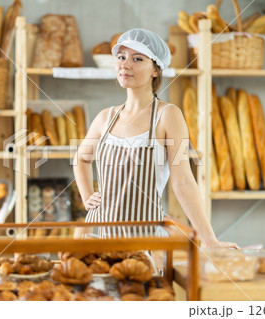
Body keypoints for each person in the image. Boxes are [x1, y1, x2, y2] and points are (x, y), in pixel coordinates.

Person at [73, 28, 238, 249]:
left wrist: (209, 240)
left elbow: (183, 181)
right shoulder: (105, 118)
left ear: (155, 70)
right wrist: (87, 196)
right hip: (100, 235)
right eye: (121, 57)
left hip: (145, 239)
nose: (125, 64)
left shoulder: (168, 116)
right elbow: (81, 159)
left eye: (137, 58)